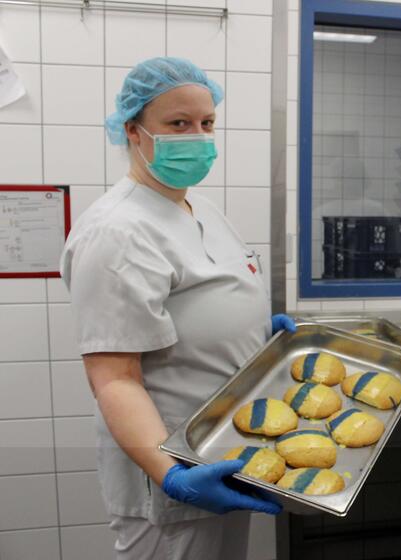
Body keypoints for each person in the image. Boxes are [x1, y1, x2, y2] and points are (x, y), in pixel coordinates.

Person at [60, 57, 295, 560]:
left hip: (221, 451)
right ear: (133, 131)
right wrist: (173, 477)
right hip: (174, 470)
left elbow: (206, 306)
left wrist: (257, 338)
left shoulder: (199, 207)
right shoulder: (117, 232)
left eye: (207, 123)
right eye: (178, 124)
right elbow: (114, 378)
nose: (198, 136)